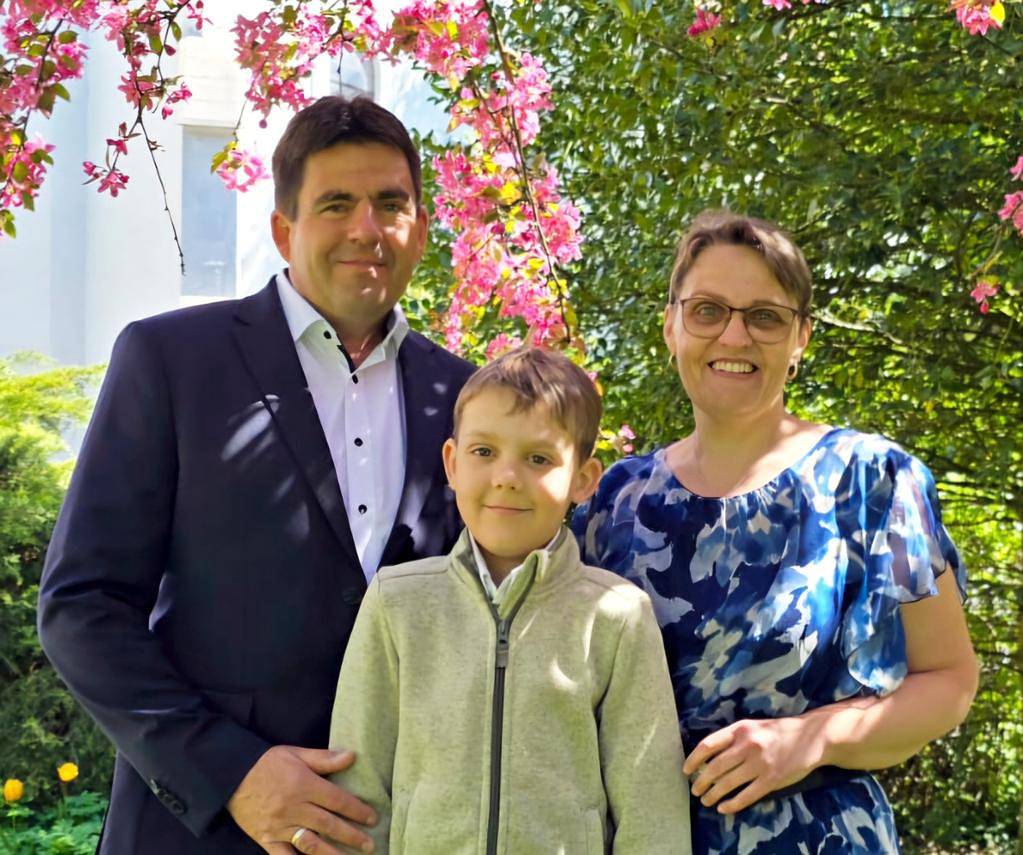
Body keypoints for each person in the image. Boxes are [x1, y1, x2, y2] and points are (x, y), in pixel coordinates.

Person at [37, 95, 475, 855]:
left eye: (389, 204)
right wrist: (231, 772)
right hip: (202, 831)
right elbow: (82, 607)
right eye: (336, 203)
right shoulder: (170, 361)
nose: (366, 229)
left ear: (420, 228)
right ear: (283, 229)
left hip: (401, 832)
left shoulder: (461, 395)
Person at [572, 210, 979, 853]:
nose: (735, 335)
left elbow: (950, 680)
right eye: (708, 310)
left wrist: (811, 739)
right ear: (670, 328)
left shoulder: (873, 482)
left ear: (801, 339)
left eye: (765, 316)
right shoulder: (612, 504)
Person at [327, 347, 692, 854]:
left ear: (583, 480)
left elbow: (649, 804)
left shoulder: (616, 615)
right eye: (484, 453)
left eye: (538, 458)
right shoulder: (396, 604)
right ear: (452, 464)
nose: (506, 477)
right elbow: (358, 788)